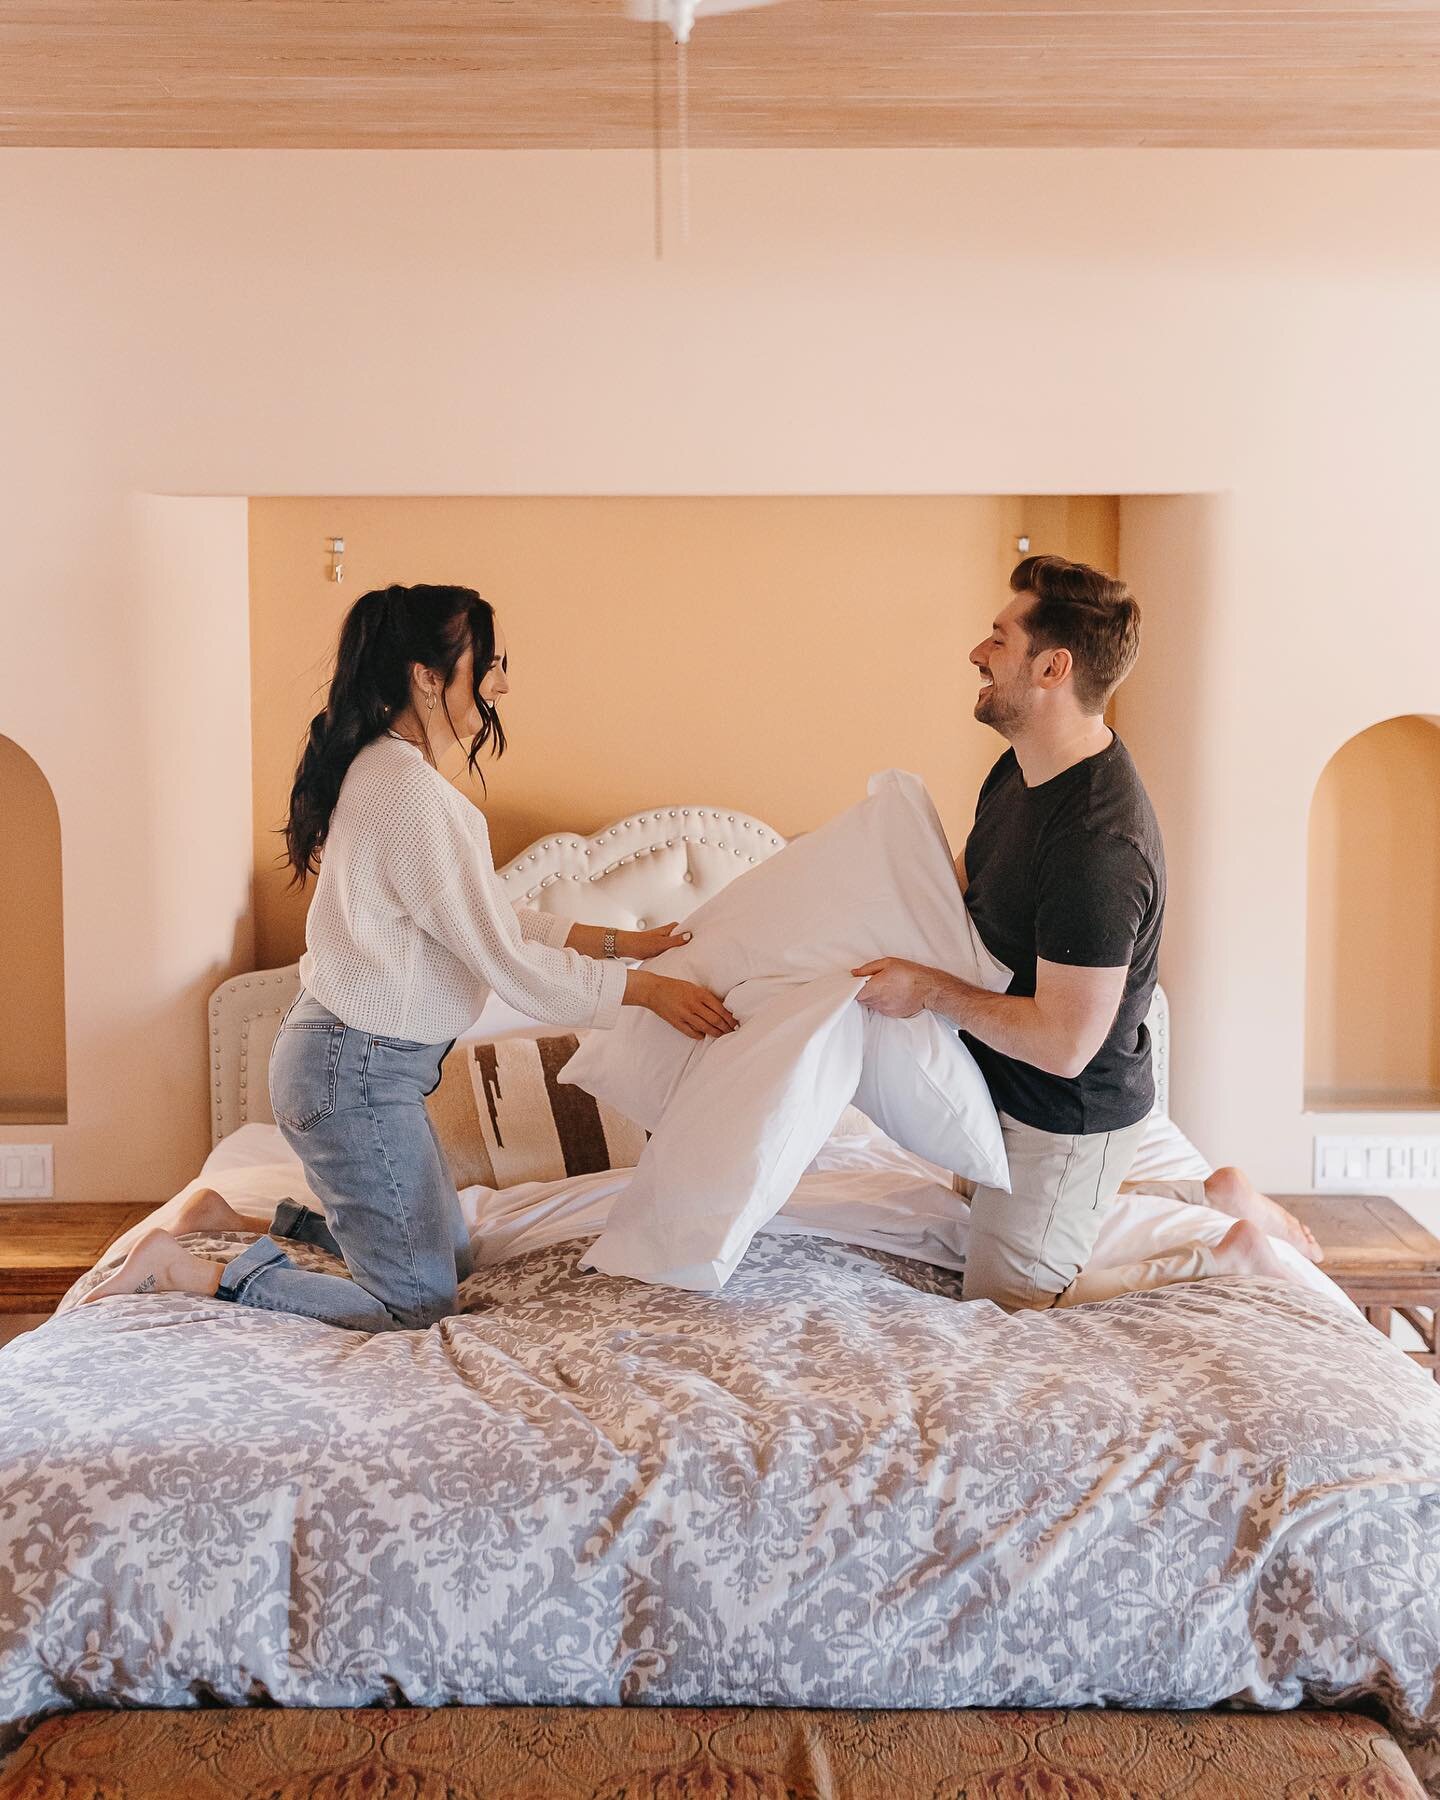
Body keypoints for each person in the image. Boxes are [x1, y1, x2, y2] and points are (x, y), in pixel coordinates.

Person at [87, 583, 737, 1330]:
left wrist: (627, 943)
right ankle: (183, 1268)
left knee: (452, 1261)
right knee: (416, 1306)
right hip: (353, 1075)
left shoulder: (391, 776)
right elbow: (504, 958)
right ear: (427, 675)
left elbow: (492, 916)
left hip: (356, 1068)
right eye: (486, 663)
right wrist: (645, 990)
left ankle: (226, 1214)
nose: (500, 684)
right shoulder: (406, 793)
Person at [852, 555, 1312, 1311]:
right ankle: (1207, 1193)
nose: (977, 651)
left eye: (999, 638)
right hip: (996, 1083)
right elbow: (954, 893)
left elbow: (1065, 1045)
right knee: (997, 1226)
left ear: (1051, 667)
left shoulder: (1098, 846)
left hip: (1061, 1115)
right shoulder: (1020, 771)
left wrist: (927, 991)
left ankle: (1228, 1252)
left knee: (1008, 1310)